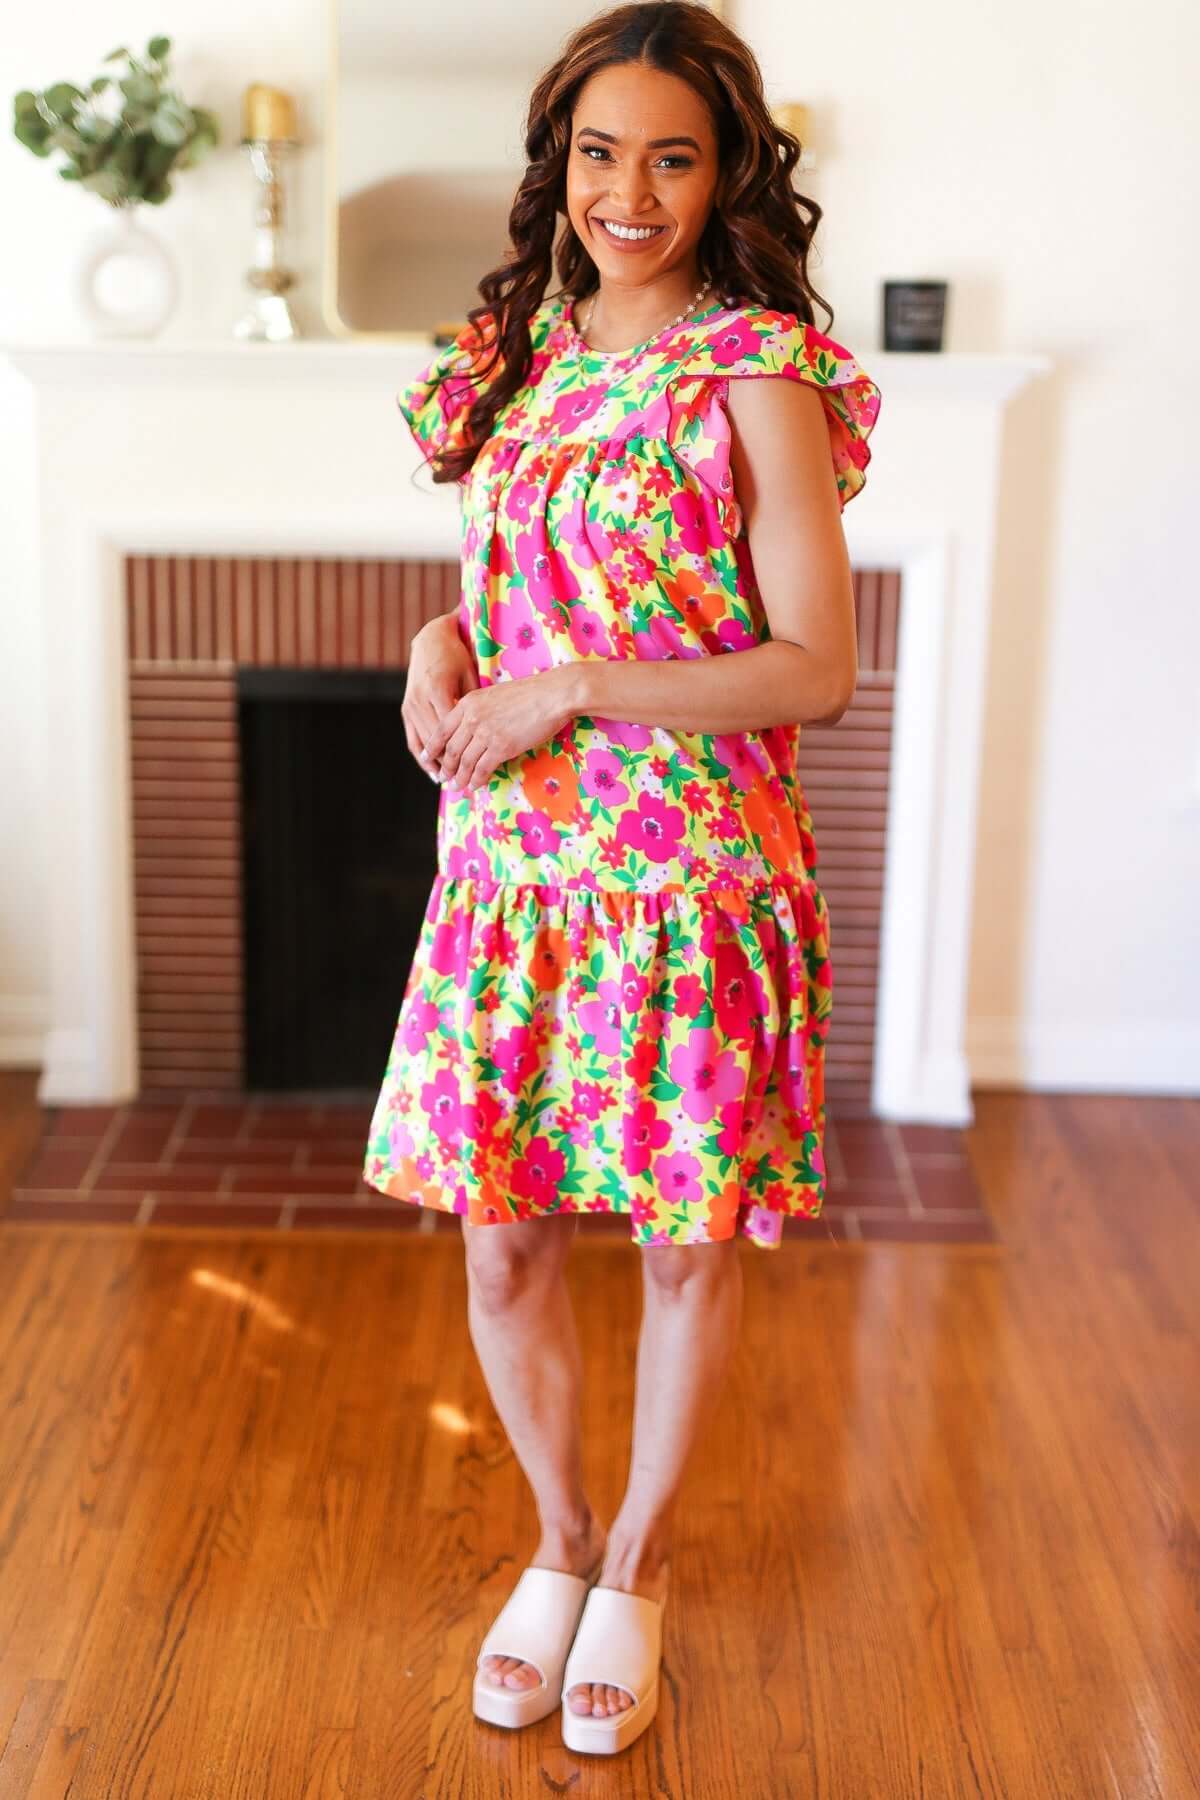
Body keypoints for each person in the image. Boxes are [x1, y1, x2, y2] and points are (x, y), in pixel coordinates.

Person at [361, 0, 881, 1757]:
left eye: (673, 157)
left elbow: (816, 667)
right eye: (600, 154)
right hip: (511, 878)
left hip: (693, 882)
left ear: (728, 170)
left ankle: (640, 1568)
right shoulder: (511, 349)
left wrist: (573, 687)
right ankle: (560, 1542)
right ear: (559, 163)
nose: (631, 195)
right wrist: (443, 648)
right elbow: (513, 578)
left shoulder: (759, 375)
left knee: (676, 1250)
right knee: (504, 1247)